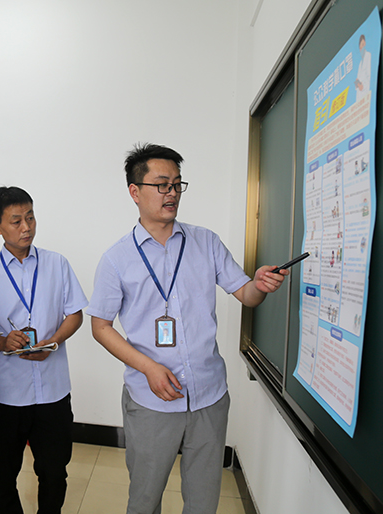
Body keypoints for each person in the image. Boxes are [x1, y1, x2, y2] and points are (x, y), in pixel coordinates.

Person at [87, 143, 287, 514]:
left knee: (203, 499)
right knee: (145, 499)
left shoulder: (205, 242)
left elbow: (246, 294)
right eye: (162, 184)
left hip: (209, 395)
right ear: (135, 191)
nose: (172, 193)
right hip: (152, 400)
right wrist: (148, 368)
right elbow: (100, 327)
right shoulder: (117, 259)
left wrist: (259, 285)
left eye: (177, 184)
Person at [0, 186, 88, 514]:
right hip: (5, 393)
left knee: (54, 472)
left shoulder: (57, 264)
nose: (26, 227)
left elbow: (75, 314)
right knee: (3, 474)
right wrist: (1, 342)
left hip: (53, 391)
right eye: (16, 221)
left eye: (30, 217)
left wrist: (53, 342)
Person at [355, 34, 371, 102]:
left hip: (365, 92)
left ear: (365, 44)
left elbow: (368, 75)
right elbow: (357, 81)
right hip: (359, 96)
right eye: (361, 46)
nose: (362, 47)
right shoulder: (360, 64)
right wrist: (357, 84)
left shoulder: (368, 55)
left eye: (363, 44)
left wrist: (363, 85)